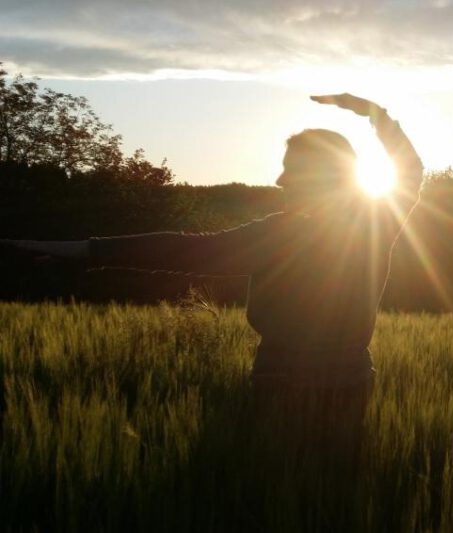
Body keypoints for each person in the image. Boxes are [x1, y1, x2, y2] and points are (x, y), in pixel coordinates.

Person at [1, 93, 423, 470]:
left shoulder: (278, 234)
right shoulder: (376, 223)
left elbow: (182, 249)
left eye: (289, 172)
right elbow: (409, 170)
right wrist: (375, 114)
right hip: (349, 376)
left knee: (269, 482)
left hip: (283, 375)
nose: (280, 182)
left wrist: (88, 251)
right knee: (335, 486)